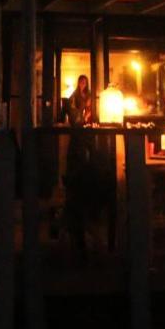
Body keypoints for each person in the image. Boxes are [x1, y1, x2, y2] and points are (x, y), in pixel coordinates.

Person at [63, 76, 106, 254]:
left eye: (84, 82)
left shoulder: (88, 95)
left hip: (86, 130)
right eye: (81, 82)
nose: (83, 85)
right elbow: (72, 112)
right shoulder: (74, 96)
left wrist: (88, 113)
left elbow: (88, 111)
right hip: (79, 131)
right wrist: (81, 115)